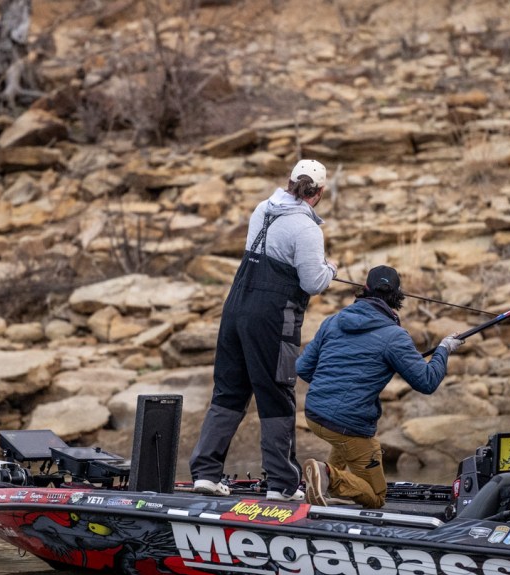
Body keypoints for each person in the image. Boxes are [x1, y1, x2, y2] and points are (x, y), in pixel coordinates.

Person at [189, 160, 337, 501]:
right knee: (277, 394)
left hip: (235, 311)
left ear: (289, 181)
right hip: (272, 319)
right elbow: (313, 282)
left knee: (228, 392)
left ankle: (206, 474)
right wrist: (330, 268)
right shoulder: (307, 228)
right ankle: (282, 485)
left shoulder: (261, 209)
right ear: (320, 192)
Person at [296, 265, 464, 508]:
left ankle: (324, 480)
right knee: (376, 497)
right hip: (346, 423)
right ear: (397, 296)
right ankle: (327, 475)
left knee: (345, 443)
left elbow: (303, 368)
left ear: (364, 289)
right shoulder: (394, 336)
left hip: (314, 414)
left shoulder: (332, 321)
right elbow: (427, 382)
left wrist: (333, 386)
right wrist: (444, 349)